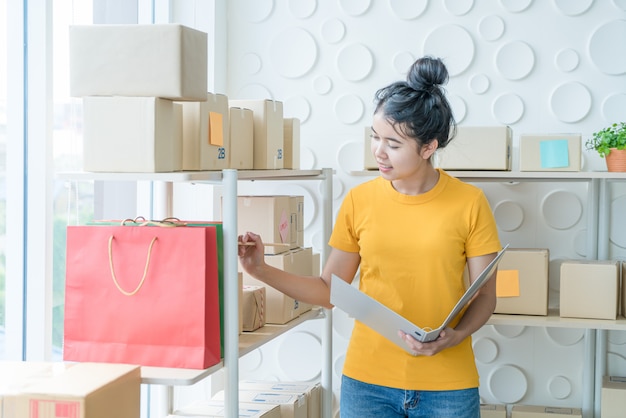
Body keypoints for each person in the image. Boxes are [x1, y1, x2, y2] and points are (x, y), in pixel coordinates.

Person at [238, 56, 502, 418]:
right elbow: (327, 290)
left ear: (428, 148)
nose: (378, 151)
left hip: (448, 386)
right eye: (375, 137)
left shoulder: (470, 203)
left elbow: (485, 295)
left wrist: (457, 336)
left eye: (393, 144)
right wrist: (260, 270)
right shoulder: (359, 200)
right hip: (368, 384)